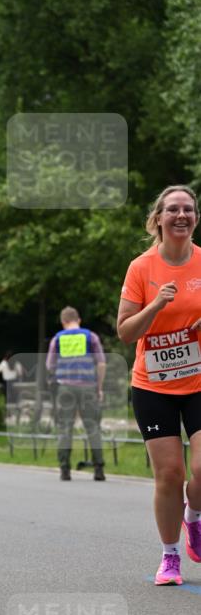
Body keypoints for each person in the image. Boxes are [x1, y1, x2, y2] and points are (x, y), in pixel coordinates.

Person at [117, 184, 201, 586]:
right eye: (173, 210)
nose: (181, 215)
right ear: (158, 219)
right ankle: (170, 557)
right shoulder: (142, 268)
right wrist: (156, 305)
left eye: (188, 209)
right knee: (169, 474)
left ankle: (194, 517)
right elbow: (125, 332)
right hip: (153, 386)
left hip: (200, 380)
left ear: (195, 218)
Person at [46, 306, 107, 481]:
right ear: (78, 320)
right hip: (88, 387)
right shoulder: (91, 337)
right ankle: (99, 470)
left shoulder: (57, 339)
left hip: (65, 388)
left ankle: (65, 470)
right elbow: (101, 363)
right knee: (93, 428)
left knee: (65, 429)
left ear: (63, 322)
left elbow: (50, 366)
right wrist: (99, 387)